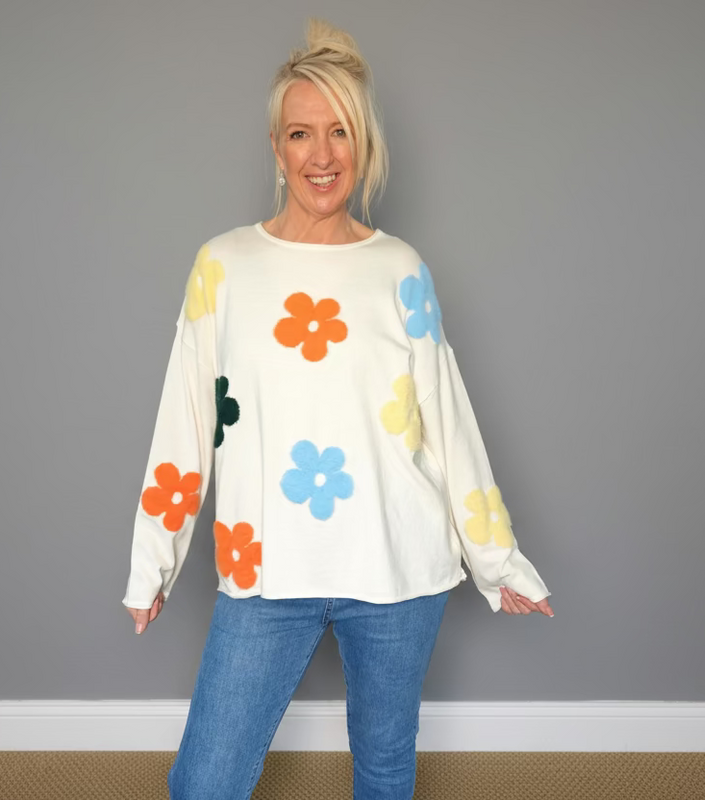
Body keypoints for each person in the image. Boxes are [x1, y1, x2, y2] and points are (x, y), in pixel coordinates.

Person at [123, 17, 555, 800]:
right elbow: (187, 419)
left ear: (363, 145)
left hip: (394, 567)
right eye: (300, 134)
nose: (321, 156)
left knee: (384, 773)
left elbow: (446, 420)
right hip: (265, 569)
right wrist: (154, 559)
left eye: (339, 133)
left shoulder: (399, 269)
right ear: (277, 149)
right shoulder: (223, 265)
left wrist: (497, 560)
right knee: (205, 783)